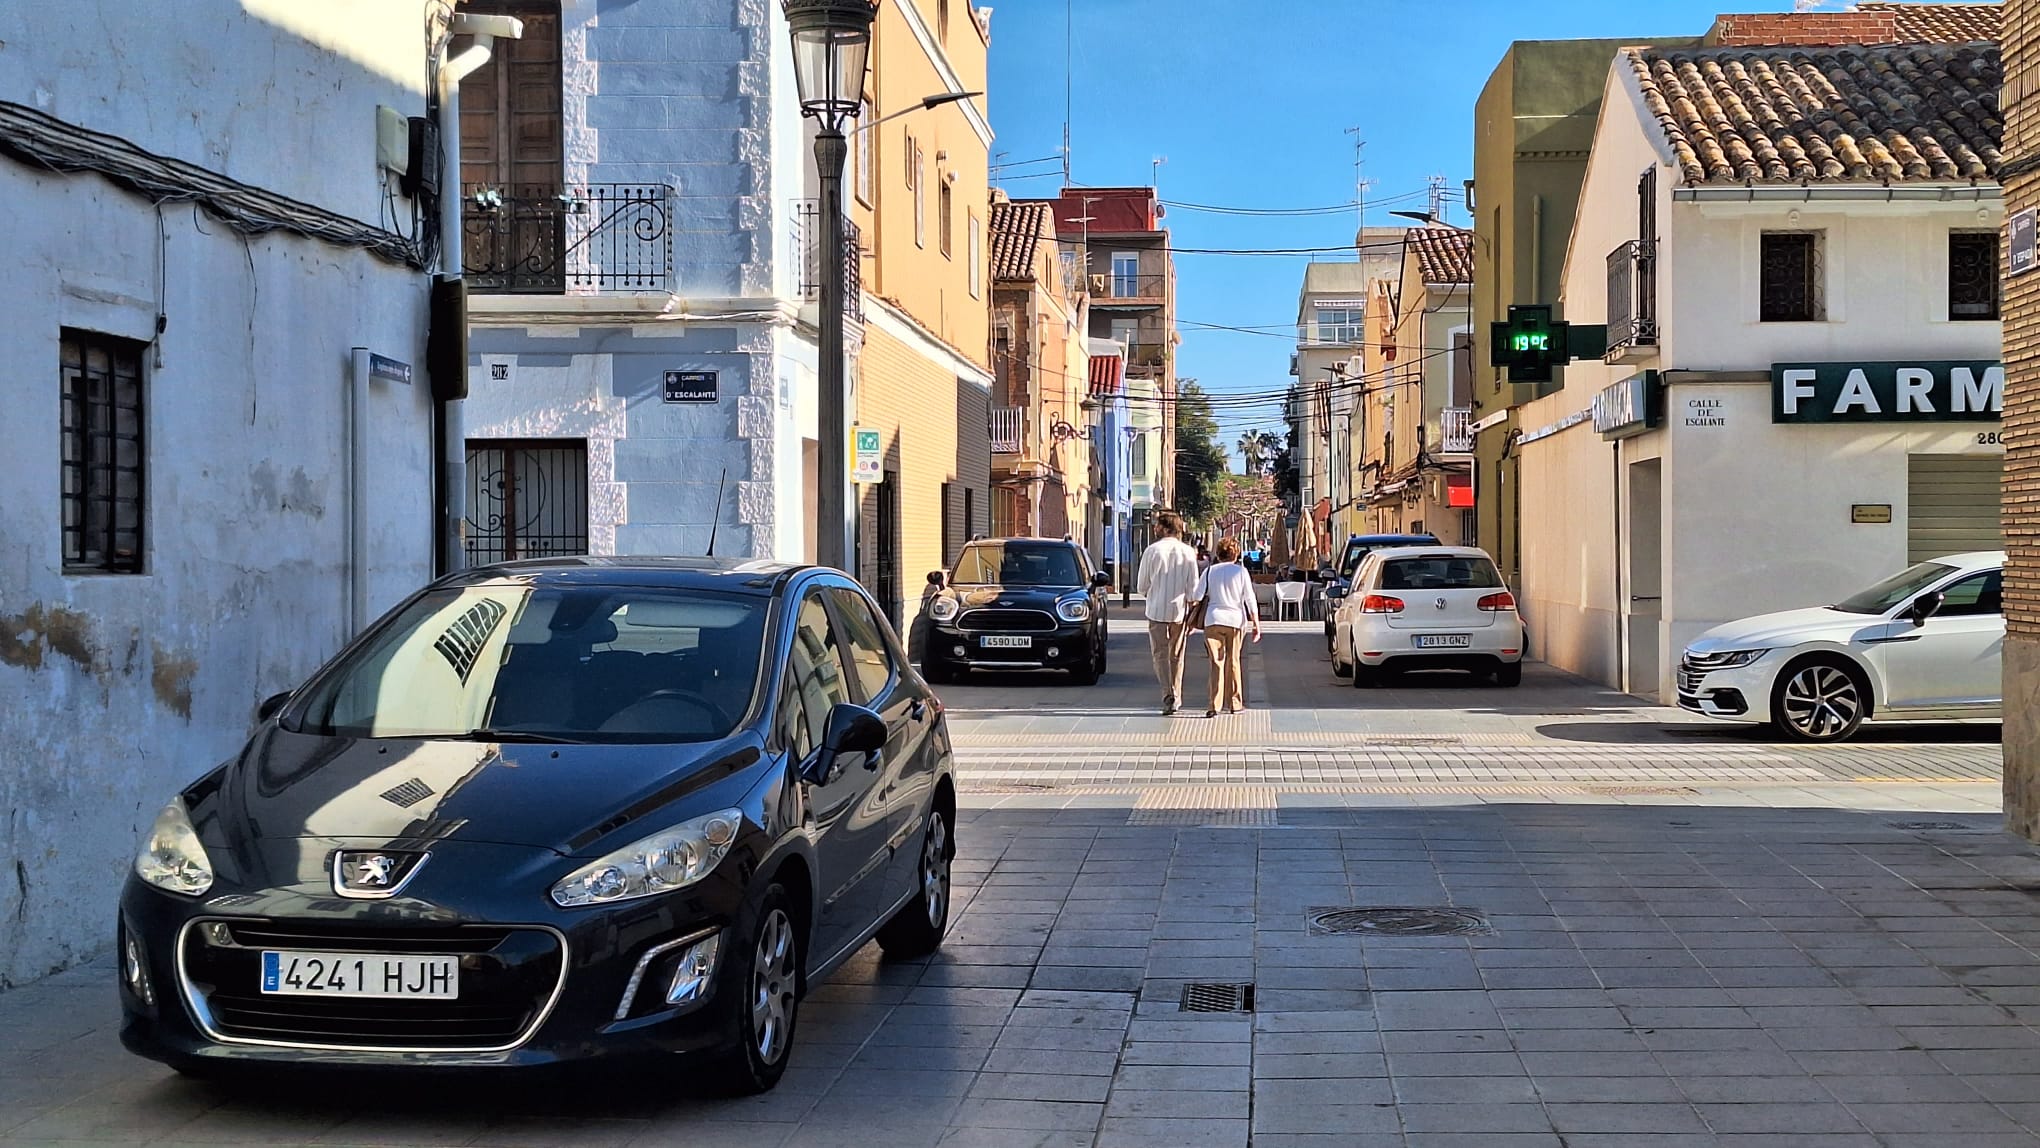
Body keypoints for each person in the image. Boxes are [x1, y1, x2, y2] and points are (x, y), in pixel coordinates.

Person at [1135, 510, 1199, 716]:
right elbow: (1193, 589)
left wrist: (1152, 593)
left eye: (1157, 525)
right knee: (1177, 654)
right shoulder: (1188, 552)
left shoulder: (1151, 551)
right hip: (1179, 611)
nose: (1155, 528)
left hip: (1155, 610)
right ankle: (1177, 695)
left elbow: (1141, 586)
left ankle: (1167, 693)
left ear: (1164, 528)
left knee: (1160, 654)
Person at [1191, 537, 1261, 716]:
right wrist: (1256, 623)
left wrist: (1190, 621)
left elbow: (1197, 596)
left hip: (1213, 620)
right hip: (1236, 620)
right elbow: (1249, 598)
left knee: (1216, 663)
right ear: (1236, 553)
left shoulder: (1209, 571)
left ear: (1219, 553)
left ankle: (1214, 705)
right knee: (1234, 661)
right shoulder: (1241, 572)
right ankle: (1235, 704)